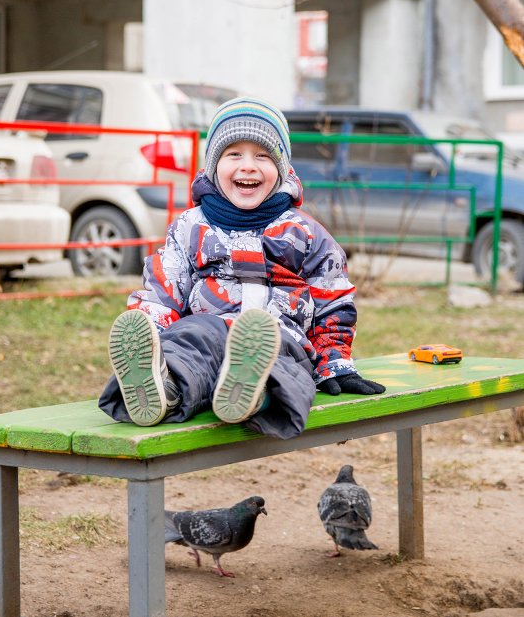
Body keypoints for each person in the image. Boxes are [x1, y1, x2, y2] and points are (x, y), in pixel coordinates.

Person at [98, 97, 385, 440]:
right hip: (210, 328)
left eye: (262, 156)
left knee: (284, 371)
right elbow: (163, 289)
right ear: (212, 167)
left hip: (278, 336)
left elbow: (332, 300)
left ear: (281, 168)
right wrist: (155, 333)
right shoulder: (191, 227)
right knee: (189, 345)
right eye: (234, 155)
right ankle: (163, 385)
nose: (248, 166)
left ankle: (252, 396)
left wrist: (334, 362)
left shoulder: (304, 232)